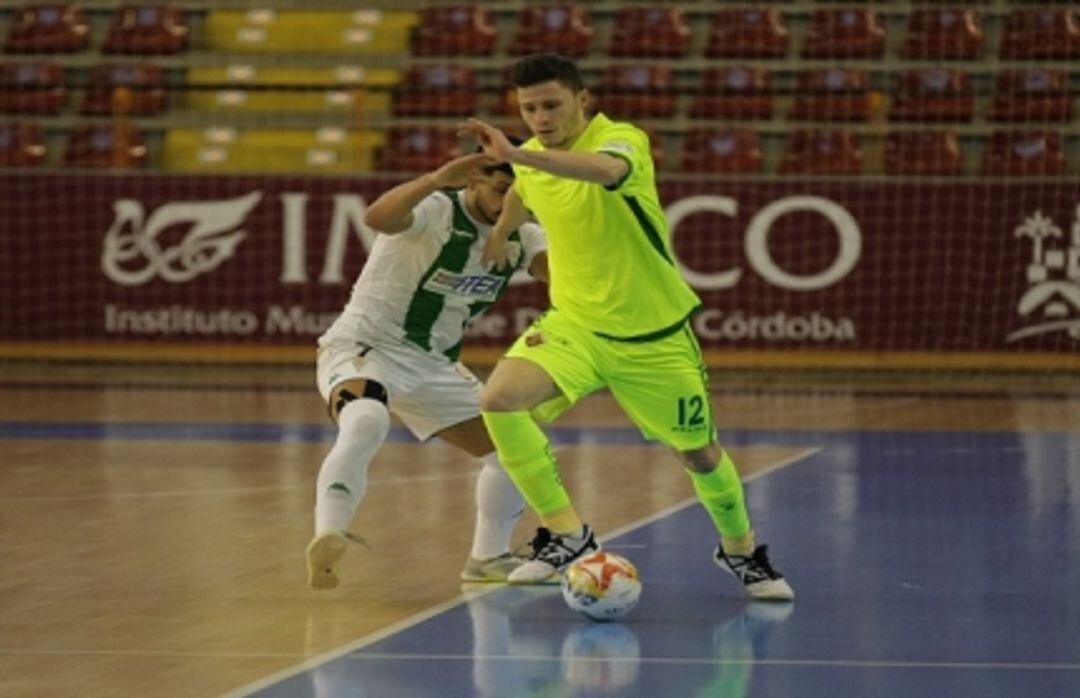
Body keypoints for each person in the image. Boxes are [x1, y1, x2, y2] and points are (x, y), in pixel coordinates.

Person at [458, 52, 794, 599]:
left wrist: (518, 154)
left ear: (582, 100)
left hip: (652, 337)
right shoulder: (534, 158)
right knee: (499, 400)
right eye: (528, 109)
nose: (540, 118)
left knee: (699, 453)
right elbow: (525, 188)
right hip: (576, 326)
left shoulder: (621, 140)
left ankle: (741, 551)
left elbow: (607, 172)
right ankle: (568, 533)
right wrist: (502, 231)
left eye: (551, 105)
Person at [307, 150, 549, 589]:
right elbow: (377, 218)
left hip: (433, 365)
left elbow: (567, 279)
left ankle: (488, 558)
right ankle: (329, 533)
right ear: (474, 180)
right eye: (500, 188)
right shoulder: (437, 209)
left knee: (518, 449)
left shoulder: (525, 237)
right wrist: (437, 177)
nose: (509, 200)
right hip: (367, 346)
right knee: (366, 418)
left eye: (521, 192)